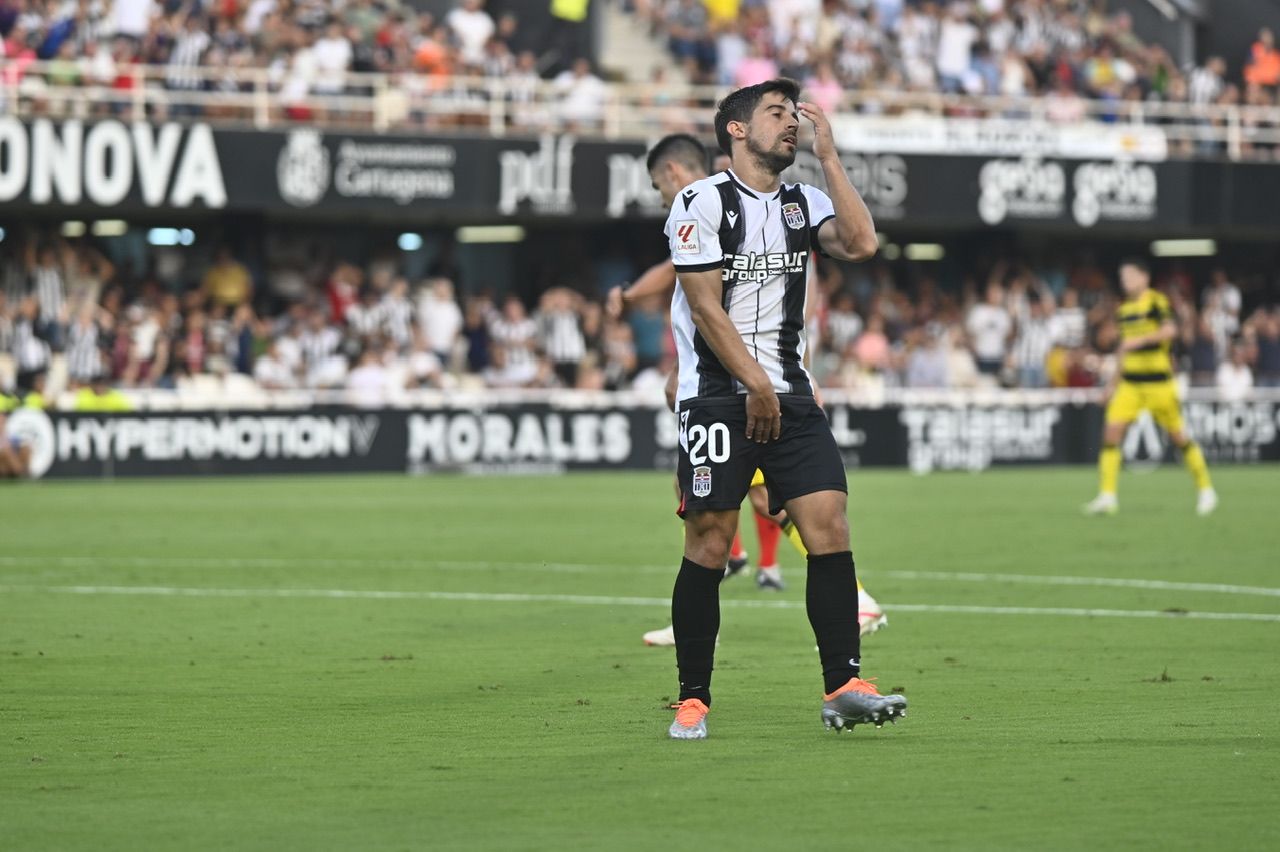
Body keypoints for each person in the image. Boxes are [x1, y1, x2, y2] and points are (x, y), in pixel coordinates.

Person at [662, 79, 905, 740]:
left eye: (794, 115)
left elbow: (860, 244)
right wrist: (755, 386)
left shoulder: (804, 200)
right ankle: (693, 698)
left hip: (793, 396)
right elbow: (706, 309)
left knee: (829, 524)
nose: (790, 124)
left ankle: (844, 685)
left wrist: (830, 156)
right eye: (776, 114)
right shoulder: (699, 202)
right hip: (719, 400)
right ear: (736, 130)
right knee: (710, 542)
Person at [613, 134, 885, 644]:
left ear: (673, 173)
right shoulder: (725, 206)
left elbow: (702, 288)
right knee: (747, 499)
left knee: (755, 500)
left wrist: (627, 298)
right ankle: (721, 596)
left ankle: (848, 601)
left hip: (746, 387)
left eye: (658, 187)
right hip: (732, 381)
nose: (661, 198)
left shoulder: (711, 207)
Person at [1083, 259, 1216, 517]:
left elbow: (1170, 330)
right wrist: (1111, 386)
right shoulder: (1124, 311)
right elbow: (1123, 351)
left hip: (1159, 384)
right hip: (1131, 385)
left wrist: (1139, 340)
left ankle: (1206, 489)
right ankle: (1107, 496)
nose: (1126, 281)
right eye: (1123, 277)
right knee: (1110, 434)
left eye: (1130, 276)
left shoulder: (1156, 301)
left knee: (1179, 438)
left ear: (1144, 277)